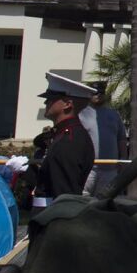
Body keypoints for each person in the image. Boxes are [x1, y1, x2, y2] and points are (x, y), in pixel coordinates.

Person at [33, 73, 97, 209]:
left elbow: (66, 195)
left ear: (67, 104)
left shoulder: (69, 141)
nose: (46, 102)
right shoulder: (65, 135)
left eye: (51, 99)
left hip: (52, 218)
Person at [86, 83, 127, 196]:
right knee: (82, 200)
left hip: (111, 169)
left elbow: (122, 139)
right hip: (89, 169)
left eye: (101, 92)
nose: (98, 95)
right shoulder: (82, 113)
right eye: (95, 92)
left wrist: (123, 159)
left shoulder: (114, 115)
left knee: (107, 201)